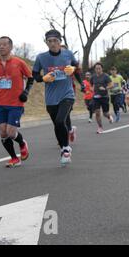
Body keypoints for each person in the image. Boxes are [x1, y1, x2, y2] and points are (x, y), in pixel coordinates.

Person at [32, 29, 84, 167]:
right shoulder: (41, 57)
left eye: (55, 41)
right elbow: (34, 74)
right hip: (51, 98)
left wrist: (75, 73)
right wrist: (43, 78)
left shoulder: (68, 53)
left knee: (61, 120)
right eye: (50, 41)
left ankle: (66, 149)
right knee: (57, 124)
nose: (53, 44)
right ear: (46, 43)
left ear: (60, 42)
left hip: (67, 94)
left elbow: (77, 68)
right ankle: (63, 148)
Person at [0, 36, 33, 168]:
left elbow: (30, 78)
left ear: (10, 47)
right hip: (0, 103)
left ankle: (22, 143)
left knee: (11, 133)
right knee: (3, 133)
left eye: (4, 44)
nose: (1, 47)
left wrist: (26, 92)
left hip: (15, 103)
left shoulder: (19, 63)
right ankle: (14, 158)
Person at [91, 63, 114, 134]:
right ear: (95, 69)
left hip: (104, 97)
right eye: (96, 68)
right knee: (97, 113)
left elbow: (111, 85)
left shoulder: (106, 76)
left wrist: (105, 88)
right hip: (96, 97)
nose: (98, 70)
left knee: (105, 113)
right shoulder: (93, 77)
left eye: (99, 68)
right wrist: (92, 89)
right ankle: (100, 127)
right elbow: (91, 84)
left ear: (102, 69)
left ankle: (109, 116)